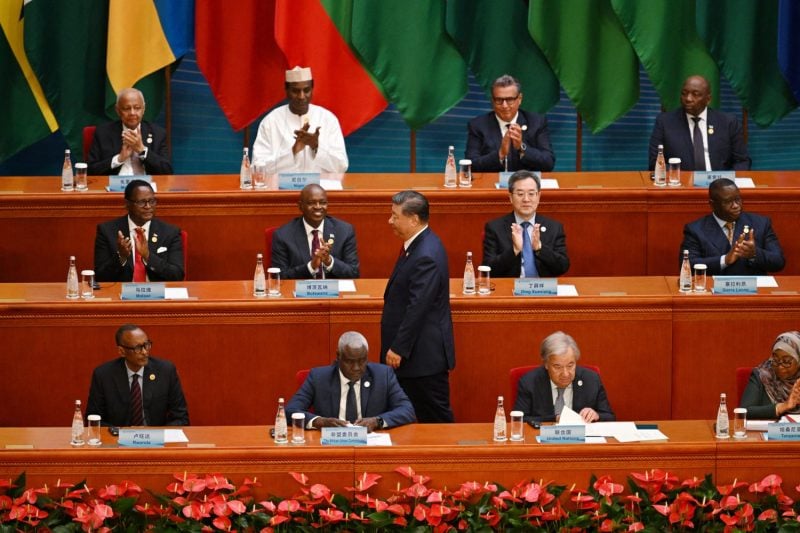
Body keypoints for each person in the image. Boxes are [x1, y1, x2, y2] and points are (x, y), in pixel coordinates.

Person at [381, 190, 455, 423]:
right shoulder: (418, 244)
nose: (390, 221)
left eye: (395, 216)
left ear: (413, 219)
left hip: (421, 360)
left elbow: (418, 307)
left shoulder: (426, 254)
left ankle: (448, 460)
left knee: (436, 420)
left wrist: (399, 348)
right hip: (416, 357)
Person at [286, 331, 416, 432]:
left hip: (370, 448)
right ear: (338, 356)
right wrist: (319, 421)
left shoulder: (383, 375)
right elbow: (290, 410)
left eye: (362, 361)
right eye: (349, 361)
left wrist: (377, 421)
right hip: (331, 447)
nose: (356, 368)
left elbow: (407, 410)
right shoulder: (319, 377)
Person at [86, 324, 189, 427]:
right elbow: (93, 420)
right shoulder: (103, 375)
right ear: (122, 351)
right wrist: (119, 434)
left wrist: (159, 435)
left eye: (146, 345)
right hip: (118, 438)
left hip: (155, 439)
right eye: (138, 348)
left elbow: (181, 418)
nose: (145, 352)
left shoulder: (165, 371)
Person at [252, 66, 348, 173]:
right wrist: (292, 152)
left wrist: (316, 146)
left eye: (306, 90)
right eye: (295, 91)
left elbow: (341, 166)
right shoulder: (271, 121)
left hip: (321, 187)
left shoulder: (328, 119)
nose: (301, 96)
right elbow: (257, 169)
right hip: (282, 188)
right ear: (286, 90)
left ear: (312, 89)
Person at [680, 178, 784, 275]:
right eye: (728, 202)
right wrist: (724, 260)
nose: (736, 205)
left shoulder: (761, 223)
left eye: (738, 199)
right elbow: (687, 266)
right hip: (714, 291)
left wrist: (754, 254)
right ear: (712, 204)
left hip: (753, 291)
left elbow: (779, 261)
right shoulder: (695, 230)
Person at [648, 75, 750, 171]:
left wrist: (726, 182)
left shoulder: (728, 122)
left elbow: (742, 161)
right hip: (682, 184)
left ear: (708, 99)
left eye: (695, 94)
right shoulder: (665, 122)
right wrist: (682, 178)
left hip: (719, 185)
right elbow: (655, 163)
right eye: (684, 93)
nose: (688, 99)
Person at [513, 331, 615, 424]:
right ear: (546, 364)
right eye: (558, 367)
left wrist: (597, 415)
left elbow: (610, 417)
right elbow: (519, 420)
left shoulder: (591, 380)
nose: (565, 374)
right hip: (543, 441)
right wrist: (555, 418)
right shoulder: (529, 382)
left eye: (570, 365)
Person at [482, 170, 569, 278]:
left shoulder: (554, 227)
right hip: (510, 289)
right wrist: (514, 250)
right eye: (520, 194)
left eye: (531, 194)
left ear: (538, 196)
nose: (526, 199)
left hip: (543, 290)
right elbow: (488, 269)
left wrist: (539, 248)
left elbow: (563, 267)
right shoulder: (494, 228)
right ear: (510, 197)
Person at [94, 179, 185, 282]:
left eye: (151, 201)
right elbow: (100, 277)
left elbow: (177, 275)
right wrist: (121, 257)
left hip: (157, 294)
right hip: (122, 294)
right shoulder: (107, 231)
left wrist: (148, 256)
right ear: (127, 204)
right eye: (141, 202)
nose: (148, 206)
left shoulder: (170, 232)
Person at [465, 74, 555, 172]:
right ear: (492, 101)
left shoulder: (536, 122)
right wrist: (500, 154)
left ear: (519, 99)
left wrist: (522, 148)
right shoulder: (478, 125)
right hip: (492, 185)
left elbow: (548, 163)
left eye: (509, 100)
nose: (504, 105)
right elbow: (470, 165)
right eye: (499, 100)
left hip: (526, 185)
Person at [270, 183, 359, 279]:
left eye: (323, 202)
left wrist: (329, 261)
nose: (318, 207)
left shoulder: (344, 231)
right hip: (299, 292)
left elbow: (354, 273)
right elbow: (278, 277)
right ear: (300, 206)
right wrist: (311, 266)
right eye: (311, 203)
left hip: (335, 292)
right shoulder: (283, 235)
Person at [87, 88, 172, 175]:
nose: (132, 113)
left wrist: (142, 150)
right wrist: (119, 159)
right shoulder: (103, 133)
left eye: (137, 108)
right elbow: (90, 171)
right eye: (126, 108)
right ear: (118, 110)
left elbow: (167, 171)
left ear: (143, 109)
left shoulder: (158, 133)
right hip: (114, 186)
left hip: (146, 186)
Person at [741, 331, 800, 419]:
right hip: (768, 432)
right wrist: (783, 406)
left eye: (786, 362)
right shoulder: (762, 376)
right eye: (775, 360)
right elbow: (744, 411)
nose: (780, 367)